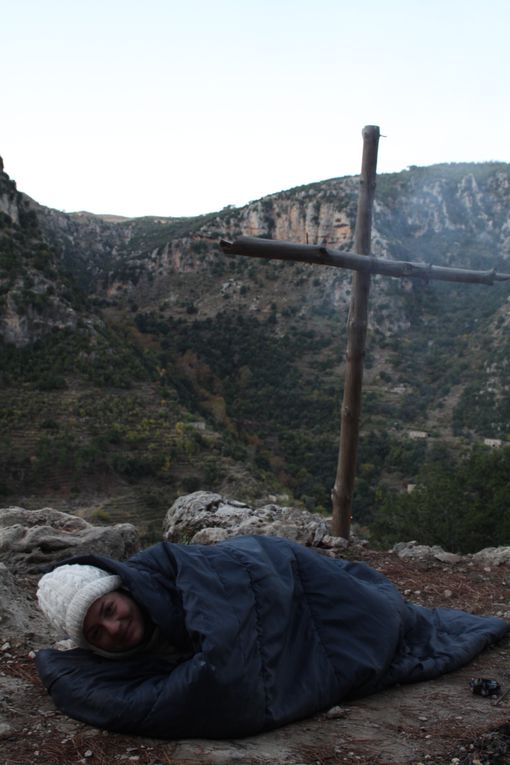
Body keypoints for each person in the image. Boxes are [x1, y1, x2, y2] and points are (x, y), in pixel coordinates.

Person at [36, 535, 509, 741]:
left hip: (279, 571)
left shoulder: (167, 572)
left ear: (123, 589)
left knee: (381, 619)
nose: (115, 629)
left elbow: (227, 660)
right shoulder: (109, 659)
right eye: (98, 633)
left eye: (110, 611)